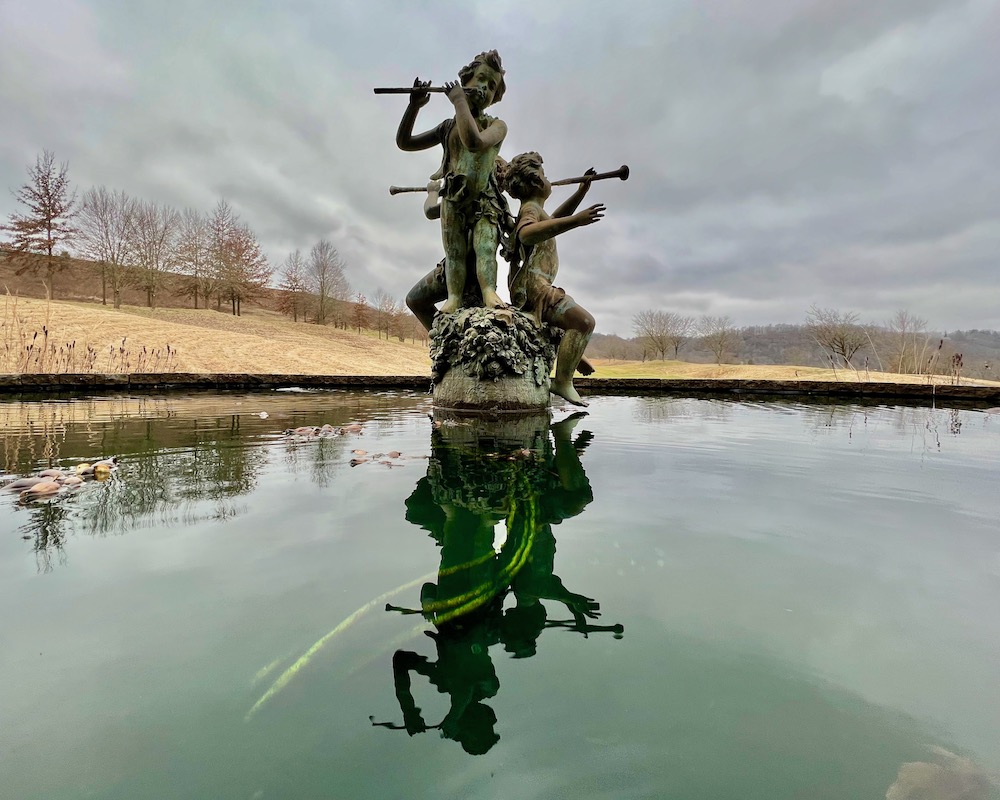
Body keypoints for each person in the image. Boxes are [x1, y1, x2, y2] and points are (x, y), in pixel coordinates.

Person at [396, 50, 510, 316]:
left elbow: (475, 143)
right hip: (453, 198)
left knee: (485, 249)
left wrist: (459, 101)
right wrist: (413, 106)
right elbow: (405, 143)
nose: (484, 87)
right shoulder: (446, 127)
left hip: (485, 201)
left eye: (491, 85)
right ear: (466, 79)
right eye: (481, 79)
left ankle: (489, 292)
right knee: (454, 251)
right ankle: (454, 296)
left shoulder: (497, 125)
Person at [505, 151, 604, 406]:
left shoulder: (536, 208)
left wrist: (580, 193)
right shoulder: (529, 210)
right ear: (537, 181)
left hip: (537, 285)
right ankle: (562, 381)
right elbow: (526, 234)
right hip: (534, 287)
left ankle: (568, 352)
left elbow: (555, 219)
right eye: (545, 175)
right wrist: (577, 221)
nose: (549, 180)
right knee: (584, 322)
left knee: (576, 324)